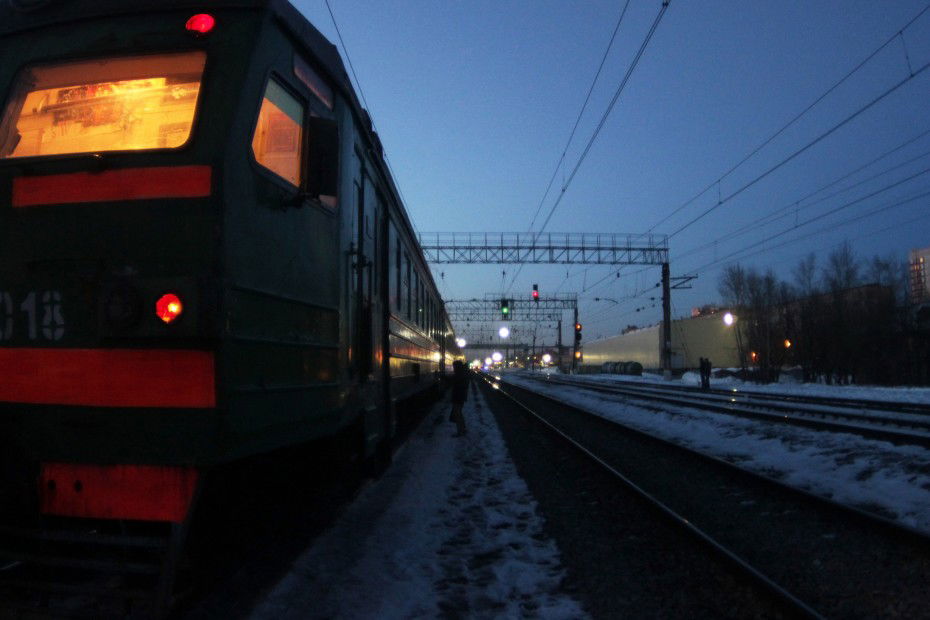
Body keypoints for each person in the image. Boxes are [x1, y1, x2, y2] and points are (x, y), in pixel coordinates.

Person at [449, 360, 469, 436]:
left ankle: (460, 432)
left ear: (457, 366)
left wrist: (443, 377)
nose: (453, 368)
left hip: (458, 396)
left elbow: (453, 380)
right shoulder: (462, 373)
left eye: (454, 366)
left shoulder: (459, 374)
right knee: (459, 413)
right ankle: (463, 429)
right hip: (460, 396)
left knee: (457, 414)